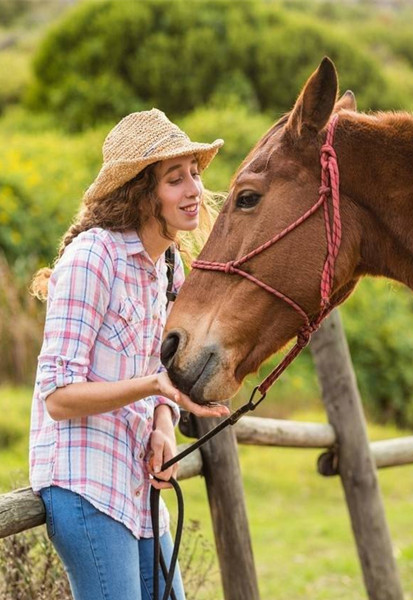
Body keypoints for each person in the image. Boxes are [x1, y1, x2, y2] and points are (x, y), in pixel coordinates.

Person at [28, 108, 230, 600]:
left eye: (195, 175)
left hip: (138, 491)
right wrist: (154, 388)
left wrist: (163, 424)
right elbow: (57, 395)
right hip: (86, 484)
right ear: (142, 193)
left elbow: (160, 368)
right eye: (174, 179)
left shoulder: (167, 267)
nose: (193, 191)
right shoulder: (92, 258)